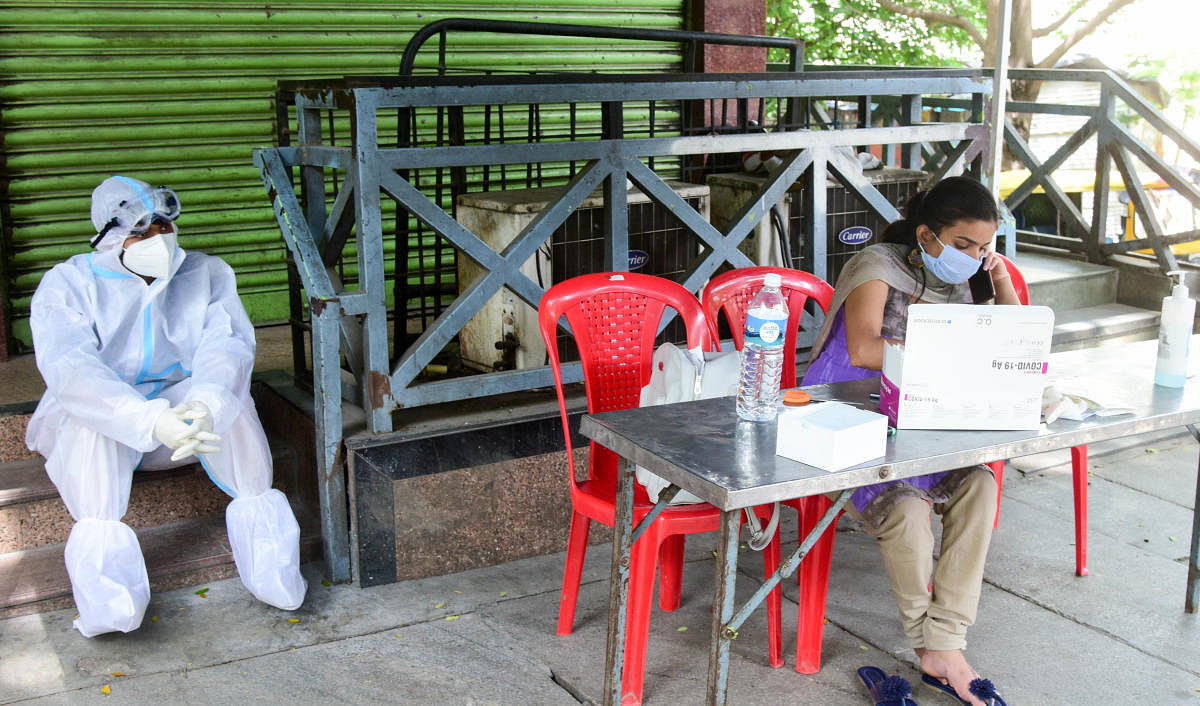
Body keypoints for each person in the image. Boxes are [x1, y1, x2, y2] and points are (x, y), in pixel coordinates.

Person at [25, 176, 307, 637]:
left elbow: (227, 346)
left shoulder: (205, 273)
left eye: (163, 227)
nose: (157, 240)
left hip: (187, 425)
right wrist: (149, 418)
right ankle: (112, 606)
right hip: (111, 426)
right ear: (109, 238)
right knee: (89, 418)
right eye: (140, 232)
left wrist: (207, 403)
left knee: (234, 401)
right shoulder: (69, 284)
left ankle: (274, 575)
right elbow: (72, 369)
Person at [801, 176, 1018, 706]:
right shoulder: (877, 266)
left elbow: (1013, 343)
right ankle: (941, 652)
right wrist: (950, 350)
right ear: (926, 234)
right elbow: (864, 347)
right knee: (906, 510)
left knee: (980, 486)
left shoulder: (969, 278)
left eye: (983, 246)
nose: (972, 255)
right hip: (849, 414)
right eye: (963, 244)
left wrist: (1001, 278)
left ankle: (941, 645)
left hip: (920, 410)